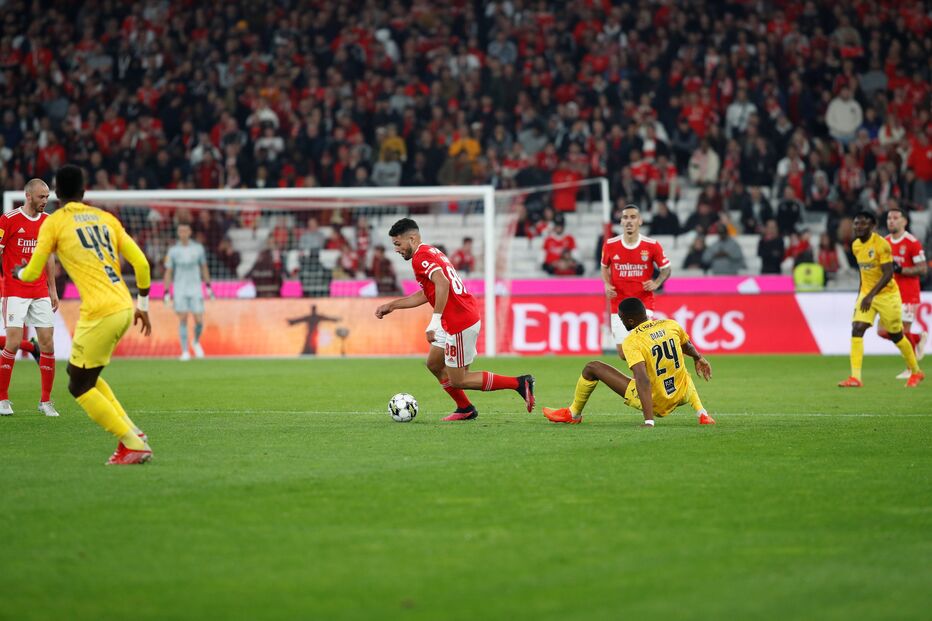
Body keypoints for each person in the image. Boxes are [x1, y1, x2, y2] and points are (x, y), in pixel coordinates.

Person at [12, 165, 153, 464]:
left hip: (100, 311)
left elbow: (34, 270)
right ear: (84, 192)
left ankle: (131, 443)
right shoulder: (106, 218)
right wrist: (144, 305)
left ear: (57, 194)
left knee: (79, 385)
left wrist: (19, 272)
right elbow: (141, 263)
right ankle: (133, 434)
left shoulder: (55, 222)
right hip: (124, 306)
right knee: (83, 374)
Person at [375, 218, 535, 421]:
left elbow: (442, 283)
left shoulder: (420, 258)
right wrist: (392, 305)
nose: (396, 250)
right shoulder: (430, 252)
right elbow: (428, 292)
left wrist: (434, 321)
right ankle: (465, 408)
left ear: (412, 239)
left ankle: (520, 383)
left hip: (459, 322)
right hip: (454, 319)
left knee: (458, 379)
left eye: (398, 244)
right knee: (434, 364)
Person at [542, 297, 715, 427]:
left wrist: (649, 420)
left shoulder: (633, 341)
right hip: (681, 393)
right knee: (681, 371)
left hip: (655, 401)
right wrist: (699, 357)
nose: (620, 320)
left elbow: (642, 379)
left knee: (592, 367)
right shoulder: (670, 325)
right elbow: (687, 345)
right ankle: (702, 413)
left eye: (621, 317)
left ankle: (573, 414)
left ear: (630, 320)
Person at [838, 211, 923, 388]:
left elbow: (888, 274)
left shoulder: (881, 244)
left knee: (896, 335)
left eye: (863, 224)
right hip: (867, 294)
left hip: (887, 295)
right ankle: (855, 377)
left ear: (872, 226)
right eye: (856, 224)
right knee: (857, 328)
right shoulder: (855, 246)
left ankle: (916, 371)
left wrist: (870, 295)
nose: (858, 227)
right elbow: (864, 273)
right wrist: (860, 295)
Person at [0, 178, 60, 416]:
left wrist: (52, 289)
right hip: (15, 290)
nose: (45, 201)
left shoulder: (48, 222)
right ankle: (3, 398)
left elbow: (49, 257)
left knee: (48, 344)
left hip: (40, 291)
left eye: (47, 197)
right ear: (28, 196)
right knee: (13, 342)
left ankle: (45, 401)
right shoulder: (9, 220)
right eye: (41, 197)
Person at [600, 204, 671, 358]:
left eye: (633, 217)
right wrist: (607, 284)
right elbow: (604, 267)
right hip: (618, 302)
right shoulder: (610, 245)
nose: (629, 221)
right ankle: (643, 377)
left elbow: (666, 268)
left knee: (641, 344)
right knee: (623, 353)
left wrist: (657, 283)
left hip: (643, 301)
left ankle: (646, 380)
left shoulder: (652, 245)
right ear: (621, 222)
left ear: (640, 221)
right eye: (625, 217)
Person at [883, 207, 928, 378]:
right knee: (882, 331)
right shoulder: (885, 242)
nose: (891, 221)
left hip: (909, 294)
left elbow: (923, 269)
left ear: (904, 221)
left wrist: (901, 269)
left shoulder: (912, 242)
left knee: (902, 330)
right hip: (890, 294)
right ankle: (917, 338)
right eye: (889, 218)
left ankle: (911, 369)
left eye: (895, 218)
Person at [163, 223, 213, 361]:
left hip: (196, 287)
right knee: (183, 318)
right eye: (180, 231)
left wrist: (208, 286)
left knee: (199, 320)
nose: (183, 233)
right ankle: (185, 351)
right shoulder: (173, 251)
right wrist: (166, 291)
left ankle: (195, 341)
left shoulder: (198, 249)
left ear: (190, 232)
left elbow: (204, 267)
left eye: (185, 230)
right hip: (180, 288)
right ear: (178, 233)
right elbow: (169, 271)